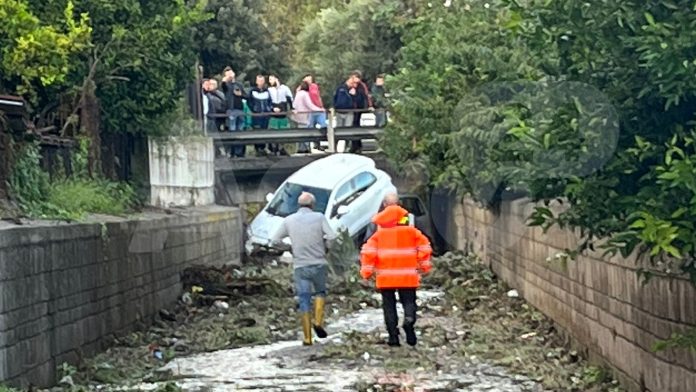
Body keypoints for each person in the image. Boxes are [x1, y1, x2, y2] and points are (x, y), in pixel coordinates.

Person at [360, 204, 433, 347]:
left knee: (389, 306)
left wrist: (367, 272)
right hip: (408, 276)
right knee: (409, 302)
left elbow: (368, 254)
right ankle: (409, 320)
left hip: (386, 278)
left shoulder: (378, 236)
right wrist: (424, 266)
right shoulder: (413, 233)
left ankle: (393, 337)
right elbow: (425, 247)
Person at [271, 192, 337, 346]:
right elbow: (332, 236)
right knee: (320, 292)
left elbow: (274, 240)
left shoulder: (289, 220)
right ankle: (318, 322)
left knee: (304, 299)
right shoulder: (319, 217)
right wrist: (326, 248)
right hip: (319, 263)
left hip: (300, 266)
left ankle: (307, 338)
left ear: (298, 205)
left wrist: (289, 247)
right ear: (312, 205)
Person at [293, 81, 325, 154]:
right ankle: (306, 149)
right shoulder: (305, 94)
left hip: (298, 116)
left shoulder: (298, 94)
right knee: (306, 133)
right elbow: (310, 105)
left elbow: (294, 105)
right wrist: (320, 109)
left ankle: (300, 149)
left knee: (300, 133)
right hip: (305, 116)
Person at [221, 67, 246, 157]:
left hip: (240, 109)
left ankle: (239, 152)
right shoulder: (226, 85)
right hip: (231, 110)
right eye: (228, 74)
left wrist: (241, 94)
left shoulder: (239, 84)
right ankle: (231, 152)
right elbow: (223, 86)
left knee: (240, 132)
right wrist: (225, 80)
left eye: (231, 73)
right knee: (232, 131)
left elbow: (245, 96)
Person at [248, 75, 273, 156]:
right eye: (259, 81)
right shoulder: (252, 91)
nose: (261, 82)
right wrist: (254, 109)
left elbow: (270, 101)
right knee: (256, 131)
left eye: (262, 81)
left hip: (265, 115)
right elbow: (249, 101)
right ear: (256, 81)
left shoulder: (267, 91)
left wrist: (269, 109)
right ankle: (257, 149)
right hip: (256, 115)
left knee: (264, 131)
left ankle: (263, 148)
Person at [268, 75, 294, 155]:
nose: (270, 81)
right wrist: (272, 108)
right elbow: (268, 101)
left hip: (282, 111)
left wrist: (292, 108)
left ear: (276, 79)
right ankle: (273, 148)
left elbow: (290, 99)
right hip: (273, 112)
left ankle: (281, 148)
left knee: (283, 131)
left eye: (271, 79)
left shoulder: (285, 88)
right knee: (273, 130)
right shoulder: (269, 90)